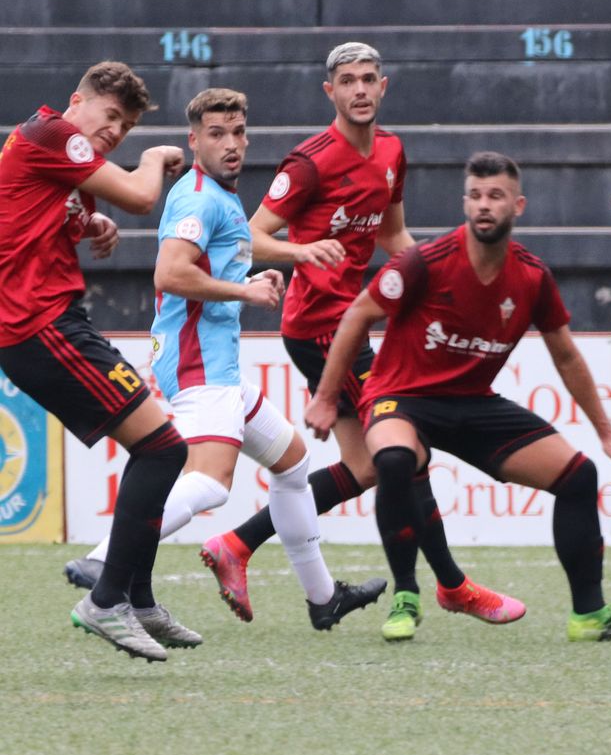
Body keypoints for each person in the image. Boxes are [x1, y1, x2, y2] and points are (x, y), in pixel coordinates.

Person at [190, 43, 519, 630]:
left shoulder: (392, 151)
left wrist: (445, 283)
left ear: (383, 86)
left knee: (367, 467)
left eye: (369, 79)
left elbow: (392, 235)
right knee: (408, 447)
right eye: (348, 81)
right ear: (331, 92)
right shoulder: (310, 162)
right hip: (318, 328)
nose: (360, 89)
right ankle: (453, 586)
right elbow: (246, 235)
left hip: (349, 324)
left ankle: (236, 544)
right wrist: (299, 251)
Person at [63, 90, 387, 630]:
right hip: (198, 360)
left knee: (292, 461)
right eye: (216, 134)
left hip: (217, 364)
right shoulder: (198, 199)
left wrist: (257, 274)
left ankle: (323, 597)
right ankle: (101, 559)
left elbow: (220, 259)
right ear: (194, 141)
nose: (230, 144)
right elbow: (170, 274)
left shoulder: (220, 195)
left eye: (237, 132)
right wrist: (245, 292)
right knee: (211, 483)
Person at [306, 152, 611, 644]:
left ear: (518, 205)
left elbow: (566, 356)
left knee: (578, 477)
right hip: (401, 396)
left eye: (495, 196)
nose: (484, 205)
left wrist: (607, 434)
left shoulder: (532, 276)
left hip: (472, 402)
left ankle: (589, 615)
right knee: (393, 460)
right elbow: (357, 316)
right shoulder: (425, 262)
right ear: (465, 204)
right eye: (475, 196)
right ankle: (407, 595)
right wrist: (326, 397)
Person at [0, 62, 190, 660]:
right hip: (40, 327)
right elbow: (140, 195)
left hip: (50, 325)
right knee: (163, 449)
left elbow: (40, 213)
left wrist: (92, 222)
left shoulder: (52, 149)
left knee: (155, 449)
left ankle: (137, 598)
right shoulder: (55, 135)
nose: (116, 132)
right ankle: (109, 600)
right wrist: (153, 157)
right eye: (111, 116)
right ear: (77, 101)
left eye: (128, 127)